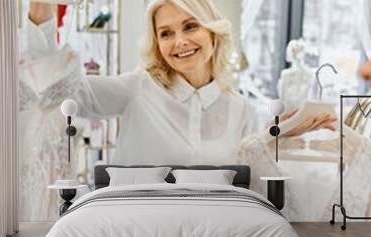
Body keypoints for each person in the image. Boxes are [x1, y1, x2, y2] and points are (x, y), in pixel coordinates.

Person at [28, 0, 337, 165]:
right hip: (136, 230)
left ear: (213, 32)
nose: (180, 42)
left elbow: (248, 168)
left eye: (190, 26)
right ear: (157, 44)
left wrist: (278, 133)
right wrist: (41, 12)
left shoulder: (240, 108)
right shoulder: (137, 88)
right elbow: (62, 92)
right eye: (166, 33)